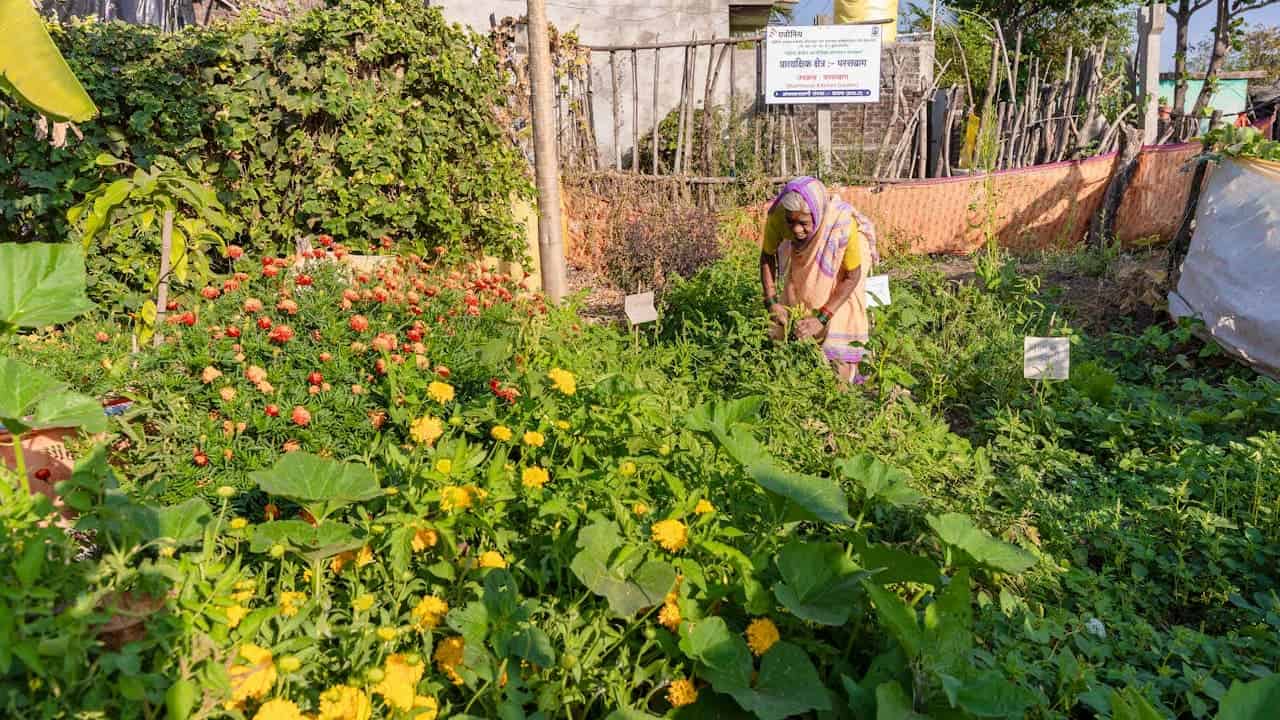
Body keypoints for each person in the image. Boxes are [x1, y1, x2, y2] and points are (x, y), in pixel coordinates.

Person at [760, 176, 879, 383]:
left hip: (847, 266)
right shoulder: (778, 217)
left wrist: (822, 318)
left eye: (803, 223)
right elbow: (767, 256)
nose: (796, 229)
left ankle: (847, 363)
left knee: (843, 315)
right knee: (798, 300)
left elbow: (852, 277)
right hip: (803, 253)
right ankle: (809, 340)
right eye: (791, 222)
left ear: (818, 214)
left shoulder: (841, 225)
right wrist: (771, 302)